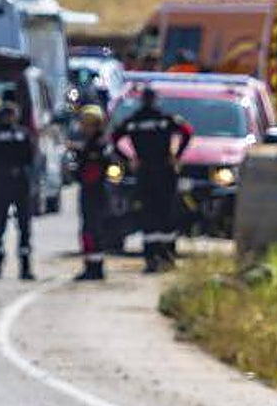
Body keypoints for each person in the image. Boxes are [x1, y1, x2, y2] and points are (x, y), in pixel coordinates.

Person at [111, 86, 192, 273]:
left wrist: (129, 159)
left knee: (148, 215)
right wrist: (177, 155)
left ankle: (151, 258)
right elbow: (187, 131)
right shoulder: (165, 119)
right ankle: (167, 257)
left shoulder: (133, 121)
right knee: (166, 215)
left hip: (145, 172)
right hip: (165, 171)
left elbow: (113, 138)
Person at [0, 99, 36, 280]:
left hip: (1, 183)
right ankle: (25, 268)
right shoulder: (22, 135)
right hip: (19, 183)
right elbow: (30, 157)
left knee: (0, 227)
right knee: (22, 227)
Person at [72, 104, 111, 281]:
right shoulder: (88, 145)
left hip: (96, 193)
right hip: (89, 192)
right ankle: (90, 265)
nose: (84, 127)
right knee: (87, 230)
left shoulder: (100, 145)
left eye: (88, 124)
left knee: (93, 230)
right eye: (83, 123)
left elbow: (93, 171)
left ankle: (95, 268)